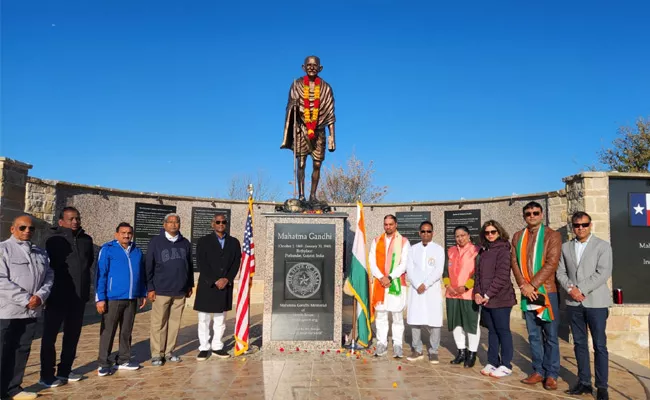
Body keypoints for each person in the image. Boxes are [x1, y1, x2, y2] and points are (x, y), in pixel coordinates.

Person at [556, 212, 613, 400]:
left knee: (599, 345)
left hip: (596, 302)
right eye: (577, 225)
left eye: (584, 225)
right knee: (579, 343)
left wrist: (580, 288)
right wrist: (571, 289)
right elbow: (561, 272)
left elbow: (603, 273)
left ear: (591, 225)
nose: (581, 228)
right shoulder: (565, 247)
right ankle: (584, 382)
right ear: (572, 227)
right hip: (574, 302)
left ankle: (602, 386)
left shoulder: (603, 246)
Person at [40, 207, 94, 387]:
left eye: (77, 218)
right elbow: (45, 268)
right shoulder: (52, 240)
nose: (75, 222)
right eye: (71, 219)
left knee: (72, 336)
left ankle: (65, 370)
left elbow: (88, 265)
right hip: (57, 296)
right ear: (61, 221)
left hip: (78, 298)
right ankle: (46, 375)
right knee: (50, 337)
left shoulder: (87, 240)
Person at [1, 215, 54, 400]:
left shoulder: (40, 252)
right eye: (22, 228)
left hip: (31, 311)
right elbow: (1, 280)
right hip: (7, 311)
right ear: (12, 229)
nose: (27, 231)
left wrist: (40, 296)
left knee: (22, 349)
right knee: (3, 350)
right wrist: (25, 299)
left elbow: (49, 276)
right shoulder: (3, 250)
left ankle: (14, 388)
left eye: (31, 228)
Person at [511, 201, 562, 390]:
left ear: (542, 214)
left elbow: (552, 263)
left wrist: (532, 285)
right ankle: (538, 370)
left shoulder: (552, 235)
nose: (532, 216)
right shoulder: (518, 236)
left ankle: (552, 374)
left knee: (550, 335)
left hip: (546, 292)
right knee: (533, 335)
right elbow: (514, 262)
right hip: (527, 292)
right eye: (528, 213)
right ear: (524, 216)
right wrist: (523, 286)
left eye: (535, 212)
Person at [280, 55, 336, 204]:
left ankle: (313, 195)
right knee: (301, 163)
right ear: (303, 67)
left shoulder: (326, 88)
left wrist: (332, 138)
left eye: (315, 65)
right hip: (302, 129)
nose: (312, 67)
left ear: (320, 68)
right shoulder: (296, 85)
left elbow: (330, 114)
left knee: (317, 164)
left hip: (319, 132)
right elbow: (289, 107)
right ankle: (301, 195)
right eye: (309, 65)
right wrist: (294, 107)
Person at [95, 222, 147, 377]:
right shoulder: (108, 249)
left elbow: (141, 274)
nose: (126, 235)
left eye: (129, 233)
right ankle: (104, 363)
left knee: (126, 331)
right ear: (116, 234)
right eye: (123, 232)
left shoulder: (137, 250)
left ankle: (123, 359)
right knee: (108, 331)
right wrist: (100, 298)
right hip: (113, 298)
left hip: (131, 298)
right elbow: (101, 274)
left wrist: (142, 293)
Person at [145, 213, 194, 366]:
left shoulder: (185, 243)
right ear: (164, 224)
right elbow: (149, 266)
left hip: (179, 291)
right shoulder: (156, 242)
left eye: (176, 222)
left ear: (179, 224)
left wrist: (189, 285)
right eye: (170, 222)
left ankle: (169, 351)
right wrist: (150, 287)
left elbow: (189, 265)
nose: (173, 225)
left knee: (174, 323)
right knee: (158, 323)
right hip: (161, 290)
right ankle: (157, 354)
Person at [194, 213, 241, 361]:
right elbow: (202, 263)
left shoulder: (234, 242)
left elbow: (236, 263)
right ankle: (204, 347)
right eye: (218, 222)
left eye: (223, 222)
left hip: (225, 285)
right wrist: (215, 280)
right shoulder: (203, 241)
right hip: (208, 285)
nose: (221, 224)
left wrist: (227, 279)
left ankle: (217, 346)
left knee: (221, 319)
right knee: (204, 319)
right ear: (212, 224)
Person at [474, 220, 516, 378]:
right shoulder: (483, 251)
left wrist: (487, 294)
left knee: (503, 331)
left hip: (501, 299)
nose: (490, 235)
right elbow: (478, 274)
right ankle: (492, 362)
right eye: (487, 232)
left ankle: (506, 364)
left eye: (493, 232)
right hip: (486, 299)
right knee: (492, 331)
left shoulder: (503, 250)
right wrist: (477, 292)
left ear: (499, 232)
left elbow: (502, 276)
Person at [369, 215, 411, 358]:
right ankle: (381, 343)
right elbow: (372, 261)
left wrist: (390, 277)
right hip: (380, 284)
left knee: (397, 316)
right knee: (381, 315)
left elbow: (404, 263)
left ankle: (398, 344)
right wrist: (381, 277)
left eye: (391, 224)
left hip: (396, 283)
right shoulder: (376, 241)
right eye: (386, 224)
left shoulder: (404, 242)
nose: (388, 227)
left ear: (396, 225)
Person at [404, 221, 445, 364]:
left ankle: (433, 351)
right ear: (419, 233)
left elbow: (439, 270)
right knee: (415, 319)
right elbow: (409, 269)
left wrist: (426, 284)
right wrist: (417, 284)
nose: (426, 234)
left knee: (434, 321)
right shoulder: (413, 249)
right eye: (423, 231)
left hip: (431, 289)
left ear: (432, 233)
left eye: (428, 231)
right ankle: (417, 349)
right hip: (416, 290)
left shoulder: (439, 249)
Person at [443, 226, 481, 368]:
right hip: (452, 294)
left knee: (471, 325)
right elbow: (445, 272)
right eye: (457, 236)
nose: (460, 238)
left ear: (469, 236)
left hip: (468, 295)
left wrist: (465, 286)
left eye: (463, 235)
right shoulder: (450, 251)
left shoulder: (476, 251)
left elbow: (478, 273)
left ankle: (472, 354)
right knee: (456, 324)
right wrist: (448, 286)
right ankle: (461, 352)